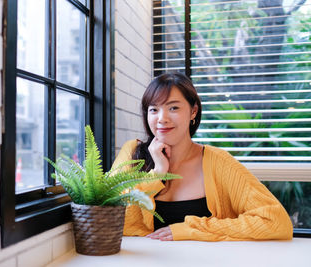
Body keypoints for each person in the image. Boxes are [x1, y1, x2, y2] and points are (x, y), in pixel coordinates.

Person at [112, 72, 293, 241]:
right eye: (154, 110)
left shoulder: (218, 161)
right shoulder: (132, 153)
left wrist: (192, 229)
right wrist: (157, 173)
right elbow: (109, 216)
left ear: (193, 112)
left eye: (173, 107)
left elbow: (276, 221)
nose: (162, 118)